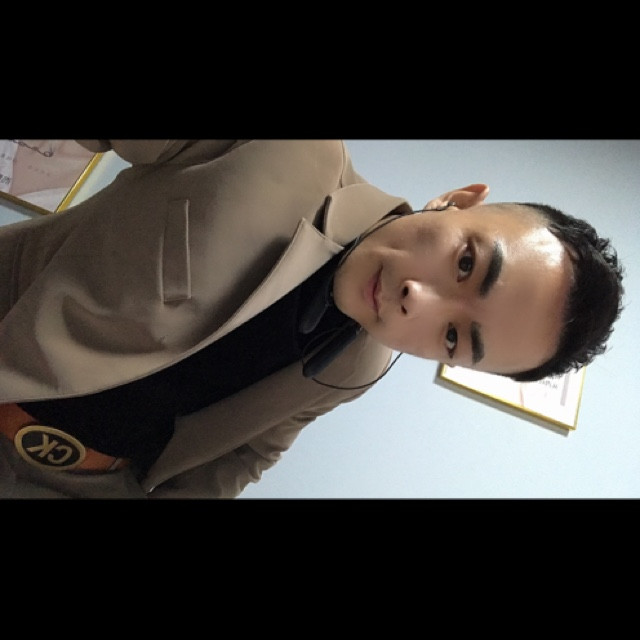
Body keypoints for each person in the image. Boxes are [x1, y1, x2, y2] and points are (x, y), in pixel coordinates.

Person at [0, 140, 624, 499]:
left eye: (455, 337)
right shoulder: (291, 150)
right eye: (466, 262)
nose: (418, 300)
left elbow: (245, 452)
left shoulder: (357, 367)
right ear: (458, 201)